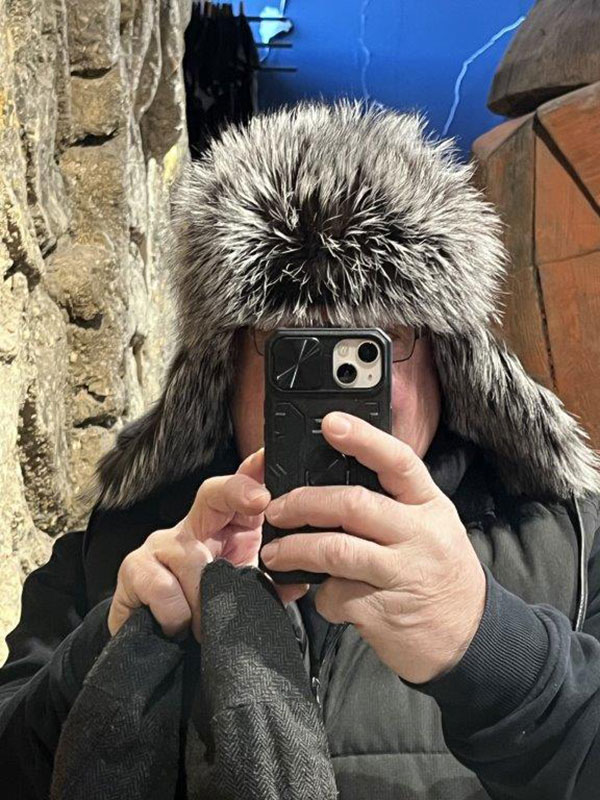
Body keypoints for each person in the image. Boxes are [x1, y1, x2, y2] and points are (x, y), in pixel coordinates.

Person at [1, 100, 600, 799]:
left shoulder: (573, 544)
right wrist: (105, 652)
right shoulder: (120, 551)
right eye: (290, 347)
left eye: (375, 346)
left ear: (449, 360)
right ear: (223, 371)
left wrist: (490, 646)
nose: (337, 404)